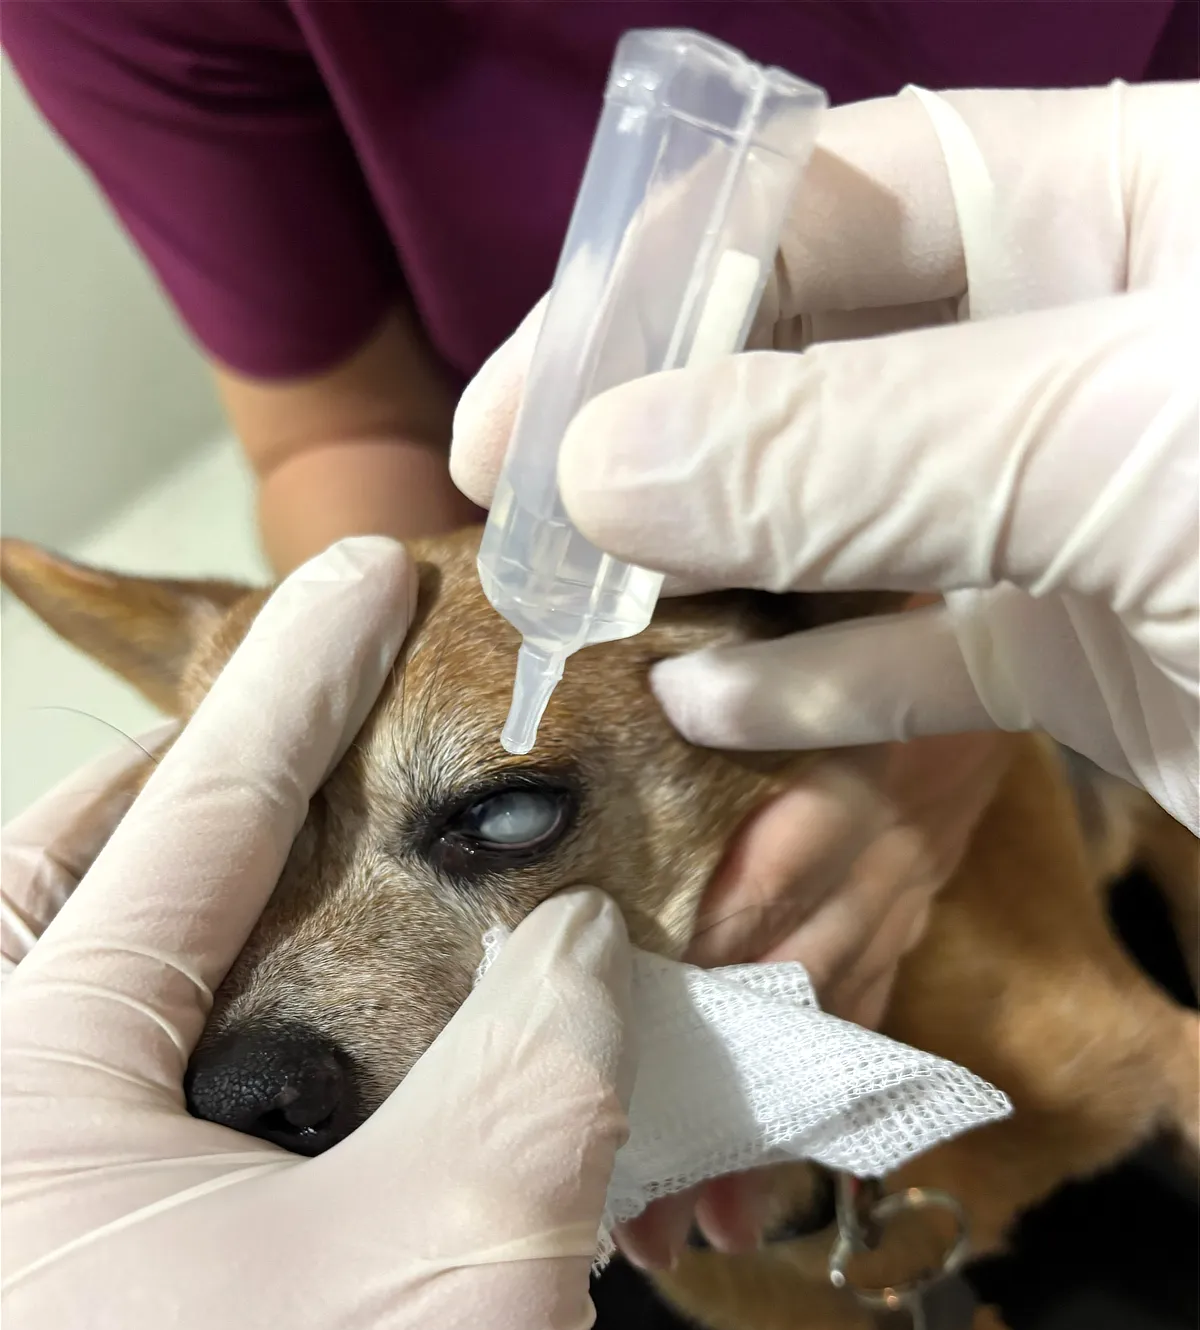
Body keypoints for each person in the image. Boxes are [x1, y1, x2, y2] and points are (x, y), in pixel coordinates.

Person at [4, 80, 1197, 1330]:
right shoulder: (664, 1227)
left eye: (503, 814)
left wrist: (926, 684)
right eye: (262, 872)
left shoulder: (1023, 1020)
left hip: (986, 578)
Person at [4, 4, 1196, 1165]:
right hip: (624, 535)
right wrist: (375, 664)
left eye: (501, 816)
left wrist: (943, 602)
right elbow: (339, 427)